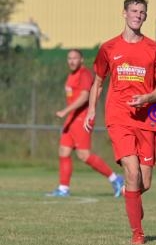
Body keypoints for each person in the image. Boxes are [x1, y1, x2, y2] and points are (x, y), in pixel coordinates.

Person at [84, 0, 156, 245]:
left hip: (148, 119)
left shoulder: (154, 49)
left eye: (142, 12)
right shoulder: (109, 48)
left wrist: (148, 96)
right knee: (131, 173)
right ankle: (138, 234)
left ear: (145, 16)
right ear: (124, 13)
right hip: (119, 118)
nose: (138, 15)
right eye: (133, 10)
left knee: (144, 182)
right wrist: (91, 110)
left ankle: (129, 195)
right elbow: (98, 81)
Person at [46, 49, 124, 198]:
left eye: (75, 58)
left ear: (81, 60)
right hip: (72, 119)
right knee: (64, 151)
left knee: (83, 155)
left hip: (82, 119)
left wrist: (64, 111)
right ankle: (63, 189)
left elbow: (84, 96)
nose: (72, 61)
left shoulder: (84, 74)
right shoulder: (71, 75)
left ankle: (116, 179)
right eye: (69, 58)